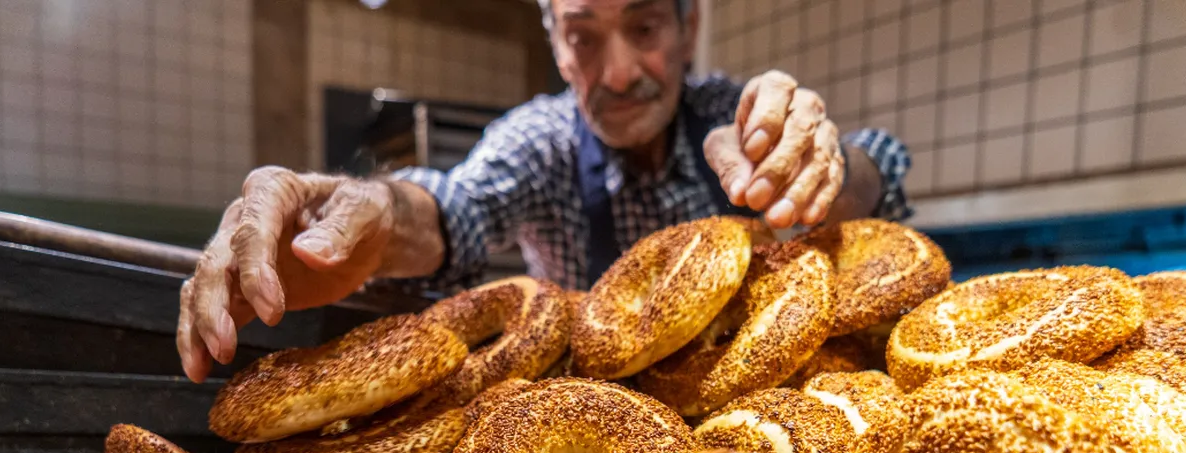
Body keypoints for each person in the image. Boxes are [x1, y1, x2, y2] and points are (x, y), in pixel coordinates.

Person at [176, 0, 912, 383]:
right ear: (556, 44)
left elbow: (877, 173)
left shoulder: (735, 118)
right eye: (584, 35)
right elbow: (450, 214)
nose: (619, 71)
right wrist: (373, 219)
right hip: (584, 441)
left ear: (689, 27)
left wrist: (825, 170)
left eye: (645, 24)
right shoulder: (542, 143)